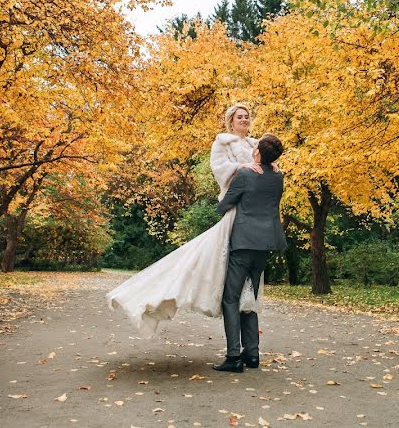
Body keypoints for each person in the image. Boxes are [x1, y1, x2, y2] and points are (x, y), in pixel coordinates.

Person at [106, 103, 275, 336]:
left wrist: (269, 165)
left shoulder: (255, 145)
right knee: (202, 261)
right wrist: (243, 166)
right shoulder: (222, 143)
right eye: (240, 117)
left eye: (247, 116)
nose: (244, 120)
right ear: (231, 121)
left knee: (239, 281)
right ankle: (162, 293)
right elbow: (219, 169)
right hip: (235, 208)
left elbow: (265, 168)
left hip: (251, 217)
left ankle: (243, 344)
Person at [212, 133, 286, 373]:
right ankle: (252, 354)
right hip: (266, 244)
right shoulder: (278, 176)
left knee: (231, 298)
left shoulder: (244, 175)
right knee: (250, 297)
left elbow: (224, 206)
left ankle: (234, 356)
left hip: (243, 242)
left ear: (257, 152)